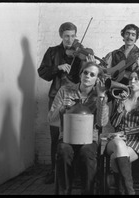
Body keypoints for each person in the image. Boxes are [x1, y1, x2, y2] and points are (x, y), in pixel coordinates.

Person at [38, 22, 90, 184]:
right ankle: (54, 171)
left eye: (73, 36)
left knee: (78, 135)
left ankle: (75, 172)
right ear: (61, 35)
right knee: (56, 136)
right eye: (66, 36)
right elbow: (43, 73)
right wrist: (58, 67)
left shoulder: (81, 52)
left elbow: (88, 74)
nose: (70, 39)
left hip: (77, 98)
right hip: (56, 97)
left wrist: (88, 61)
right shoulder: (53, 52)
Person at [47, 61, 109, 194]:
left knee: (87, 153)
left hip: (89, 139)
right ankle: (65, 191)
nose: (87, 76)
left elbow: (102, 123)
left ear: (97, 79)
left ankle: (87, 192)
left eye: (92, 74)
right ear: (80, 74)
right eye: (85, 72)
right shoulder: (65, 90)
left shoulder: (100, 95)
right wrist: (62, 108)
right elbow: (51, 119)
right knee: (63, 151)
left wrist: (101, 97)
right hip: (67, 138)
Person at [103, 23, 139, 181]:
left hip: (138, 95)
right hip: (117, 96)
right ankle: (125, 178)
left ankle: (134, 176)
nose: (130, 37)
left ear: (137, 37)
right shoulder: (114, 54)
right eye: (127, 33)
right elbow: (104, 73)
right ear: (123, 35)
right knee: (117, 126)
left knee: (135, 131)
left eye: (133, 34)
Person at [104, 70, 139, 195]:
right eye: (130, 79)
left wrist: (124, 132)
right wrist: (120, 108)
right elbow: (114, 123)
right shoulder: (120, 99)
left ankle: (121, 191)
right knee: (119, 144)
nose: (132, 81)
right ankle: (130, 192)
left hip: (137, 141)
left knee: (115, 158)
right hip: (116, 139)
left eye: (136, 79)